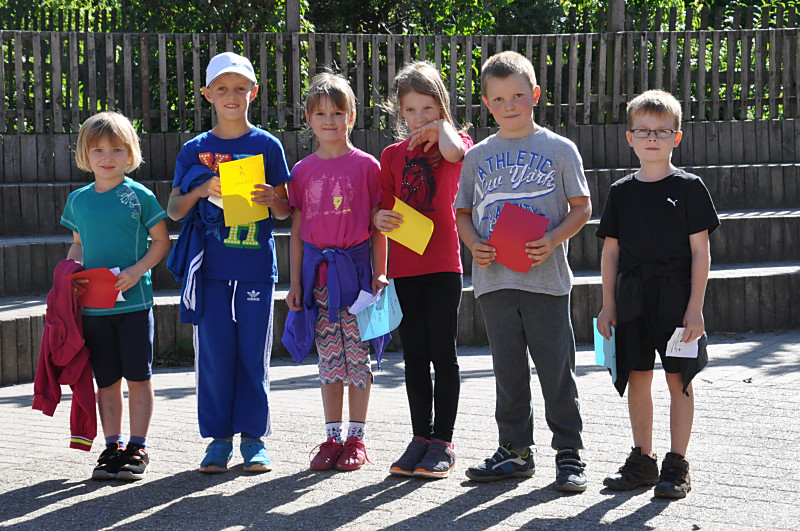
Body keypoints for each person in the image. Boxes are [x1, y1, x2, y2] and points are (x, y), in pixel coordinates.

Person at [454, 51, 591, 492]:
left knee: (556, 370)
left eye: (517, 95)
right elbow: (462, 213)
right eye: (498, 98)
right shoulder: (477, 156)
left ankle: (569, 452)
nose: (508, 105)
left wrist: (553, 239)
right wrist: (473, 243)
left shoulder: (560, 149)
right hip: (494, 282)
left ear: (534, 94)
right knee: (508, 372)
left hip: (546, 283)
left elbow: (582, 208)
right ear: (486, 103)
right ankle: (514, 451)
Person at [166, 52, 291, 473]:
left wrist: (272, 198)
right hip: (210, 271)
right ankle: (218, 441)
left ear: (254, 92)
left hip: (255, 268)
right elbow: (174, 211)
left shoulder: (267, 145)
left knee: (253, 356)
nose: (231, 95)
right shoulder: (194, 149)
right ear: (207, 94)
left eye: (240, 87)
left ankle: (254, 440)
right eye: (222, 88)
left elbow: (285, 211)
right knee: (215, 357)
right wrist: (201, 190)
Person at [596, 89, 719, 499]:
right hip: (632, 297)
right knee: (637, 377)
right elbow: (610, 252)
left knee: (679, 379)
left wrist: (695, 308)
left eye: (662, 131)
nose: (652, 137)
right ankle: (642, 461)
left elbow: (701, 252)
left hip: (676, 297)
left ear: (676, 137)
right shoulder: (620, 192)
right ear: (629, 137)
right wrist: (608, 304)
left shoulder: (690, 187)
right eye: (643, 130)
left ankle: (677, 463)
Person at [282, 71, 389, 472]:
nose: (329, 120)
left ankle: (357, 438)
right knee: (328, 359)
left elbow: (379, 227)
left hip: (358, 279)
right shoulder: (301, 171)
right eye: (321, 113)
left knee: (358, 358)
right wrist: (295, 283)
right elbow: (296, 233)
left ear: (352, 116)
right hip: (319, 282)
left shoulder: (368, 167)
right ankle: (331, 438)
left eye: (337, 112)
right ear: (308, 119)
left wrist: (380, 273)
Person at [372, 61, 472, 479]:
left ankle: (443, 442)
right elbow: (383, 207)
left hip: (444, 266)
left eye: (427, 108)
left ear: (442, 107)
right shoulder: (391, 155)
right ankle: (420, 437)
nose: (418, 117)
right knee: (413, 355)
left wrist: (441, 127)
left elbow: (457, 153)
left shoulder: (455, 142)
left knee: (443, 355)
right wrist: (378, 218)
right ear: (400, 112)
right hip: (404, 268)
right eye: (410, 110)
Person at [61, 111, 171, 480]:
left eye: (116, 149)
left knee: (138, 377)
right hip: (94, 310)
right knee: (106, 381)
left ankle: (138, 447)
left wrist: (137, 271)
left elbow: (161, 241)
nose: (107, 157)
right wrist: (70, 270)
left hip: (135, 306)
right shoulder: (77, 201)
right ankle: (112, 446)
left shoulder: (140, 196)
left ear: (130, 154)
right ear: (85, 154)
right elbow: (78, 245)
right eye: (98, 150)